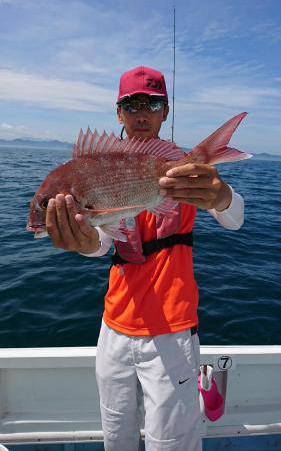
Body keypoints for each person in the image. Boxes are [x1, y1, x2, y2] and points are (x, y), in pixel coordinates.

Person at [46, 66, 244, 451]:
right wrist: (83, 242)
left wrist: (222, 197)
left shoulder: (184, 172)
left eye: (152, 104)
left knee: (169, 443)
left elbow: (235, 218)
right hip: (114, 329)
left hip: (172, 331)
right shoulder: (98, 170)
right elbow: (102, 244)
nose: (142, 113)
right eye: (132, 104)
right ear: (118, 113)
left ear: (165, 112)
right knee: (116, 438)